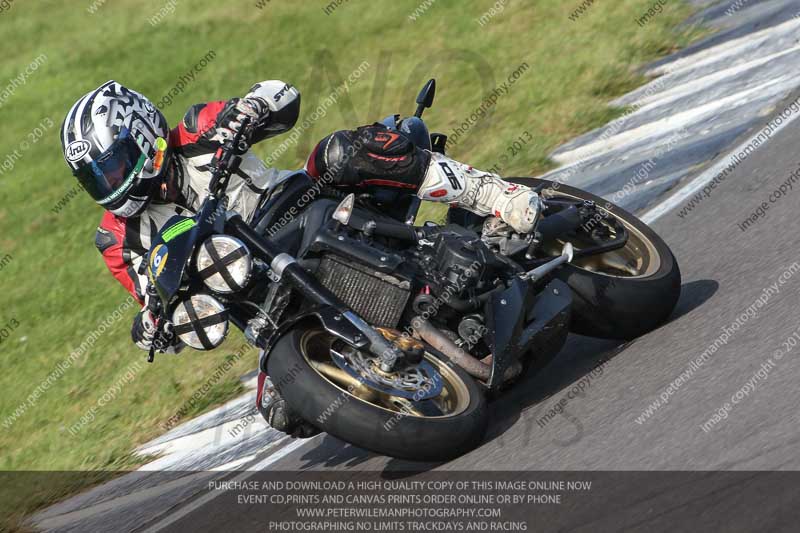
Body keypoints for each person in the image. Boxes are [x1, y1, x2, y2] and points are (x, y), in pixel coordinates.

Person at [59, 80, 542, 437]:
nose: (110, 184)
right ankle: (404, 375)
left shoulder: (194, 130)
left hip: (297, 210)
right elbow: (156, 301)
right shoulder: (116, 240)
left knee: (339, 151)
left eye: (114, 166)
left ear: (143, 136)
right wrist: (152, 326)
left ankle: (495, 195)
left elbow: (281, 94)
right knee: (283, 410)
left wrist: (248, 110)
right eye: (95, 179)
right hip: (259, 299)